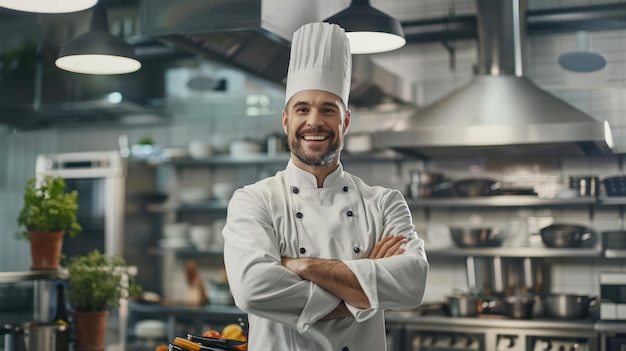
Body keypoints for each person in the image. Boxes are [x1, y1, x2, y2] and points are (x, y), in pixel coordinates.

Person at [222, 22, 429, 351]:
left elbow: (412, 284)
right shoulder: (254, 200)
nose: (314, 122)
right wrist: (362, 294)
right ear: (286, 120)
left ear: (345, 121)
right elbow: (251, 289)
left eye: (328, 110)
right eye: (302, 109)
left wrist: (301, 266)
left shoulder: (385, 203)